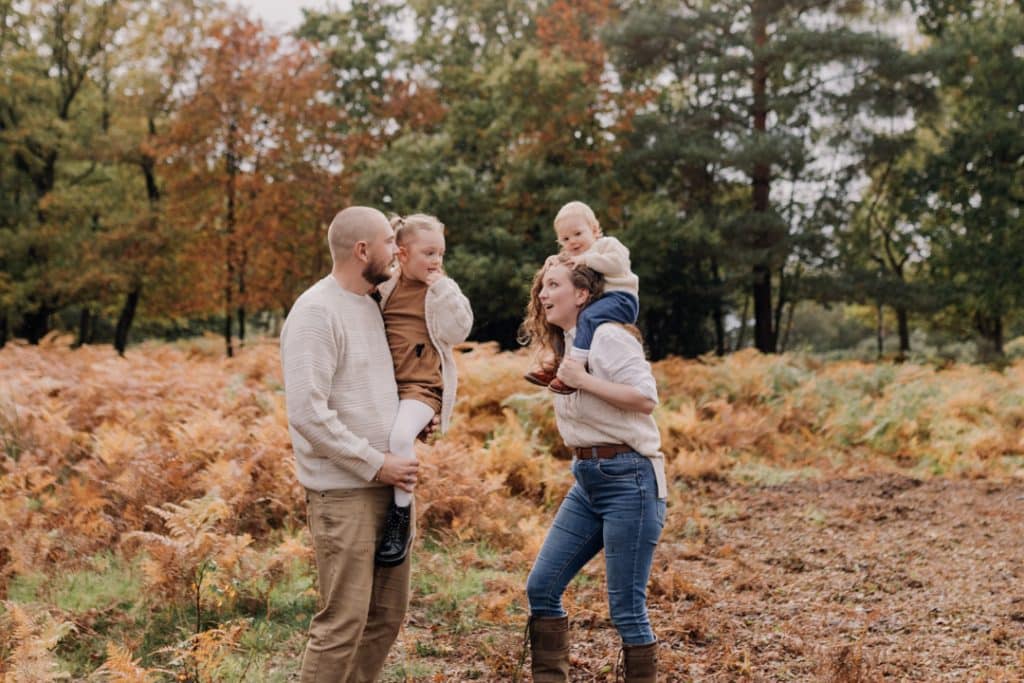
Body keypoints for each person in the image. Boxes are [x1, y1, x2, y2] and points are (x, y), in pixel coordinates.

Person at [280, 206, 425, 683]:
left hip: (393, 486)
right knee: (342, 622)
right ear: (362, 250)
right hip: (344, 493)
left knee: (385, 617)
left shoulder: (373, 303)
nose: (397, 249)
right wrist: (374, 463)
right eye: (389, 240)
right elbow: (307, 412)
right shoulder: (315, 313)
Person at [518, 253, 667, 683]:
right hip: (587, 481)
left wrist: (583, 380)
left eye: (555, 286)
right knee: (541, 588)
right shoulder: (567, 346)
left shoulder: (606, 337)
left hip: (631, 480)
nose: (544, 294)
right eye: (542, 286)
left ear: (583, 294)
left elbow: (645, 398)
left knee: (625, 609)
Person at [374, 213, 473, 567]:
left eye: (441, 254)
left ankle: (400, 517)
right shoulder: (384, 290)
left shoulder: (440, 291)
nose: (437, 261)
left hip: (422, 387)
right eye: (428, 253)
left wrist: (444, 288)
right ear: (402, 254)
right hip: (386, 386)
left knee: (401, 438)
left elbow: (459, 330)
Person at [524, 201, 639, 395]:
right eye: (565, 239)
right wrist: (552, 260)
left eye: (578, 234)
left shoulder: (606, 245)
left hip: (621, 298)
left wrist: (587, 260)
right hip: (600, 300)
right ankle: (559, 365)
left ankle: (575, 368)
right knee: (566, 327)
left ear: (594, 230)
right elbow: (564, 268)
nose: (573, 242)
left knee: (587, 317)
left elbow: (619, 263)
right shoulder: (574, 254)